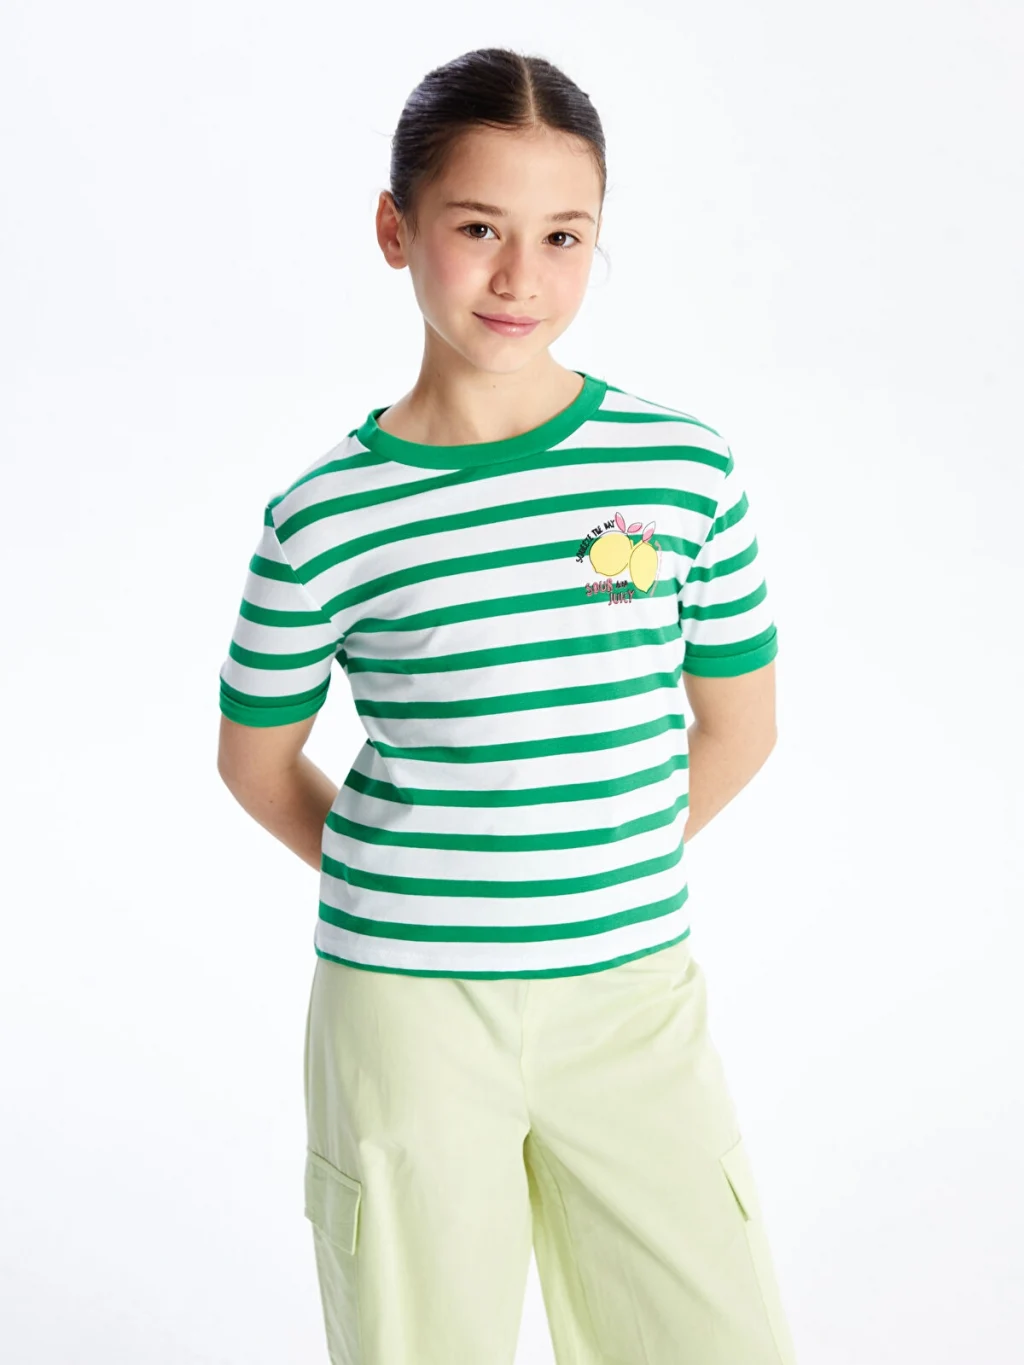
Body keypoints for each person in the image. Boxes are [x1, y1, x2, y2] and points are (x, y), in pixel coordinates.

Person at [216, 44, 796, 1365]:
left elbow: (741, 726)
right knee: (417, 1338)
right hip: (405, 1013)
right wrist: (422, 875)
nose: (521, 276)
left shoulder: (683, 468)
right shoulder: (323, 516)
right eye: (479, 228)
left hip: (632, 998)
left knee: (714, 1333)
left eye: (563, 236)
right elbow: (255, 762)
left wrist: (595, 861)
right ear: (396, 229)